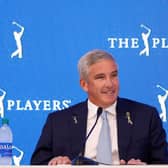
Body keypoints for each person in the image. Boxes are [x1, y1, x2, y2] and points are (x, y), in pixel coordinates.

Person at [31, 49, 168, 165]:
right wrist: (55, 162)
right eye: (101, 77)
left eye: (114, 76)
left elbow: (163, 163)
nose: (110, 84)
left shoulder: (145, 116)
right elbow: (37, 163)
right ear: (84, 84)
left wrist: (146, 167)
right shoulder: (58, 121)